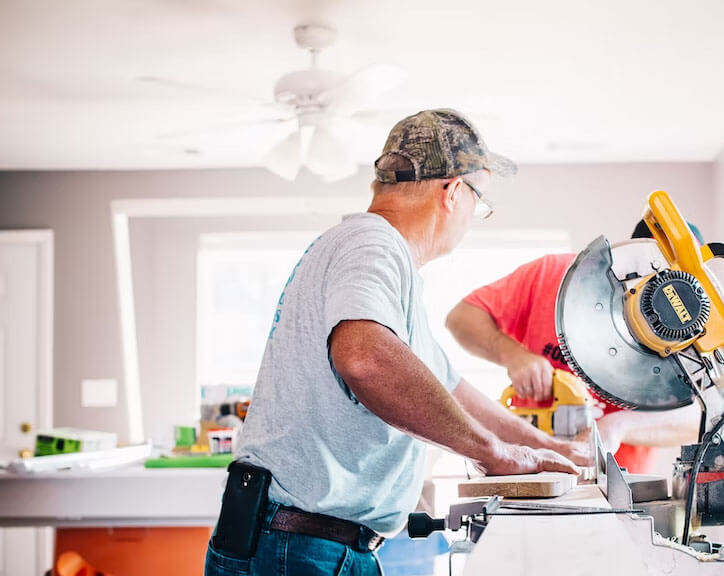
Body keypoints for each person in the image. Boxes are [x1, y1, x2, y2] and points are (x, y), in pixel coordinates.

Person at [205, 109, 592, 576]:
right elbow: (366, 360)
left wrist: (543, 446)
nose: (474, 216)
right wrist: (494, 453)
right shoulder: (373, 243)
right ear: (452, 192)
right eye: (479, 200)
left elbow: (449, 388)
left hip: (306, 541)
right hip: (299, 544)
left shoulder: (376, 260)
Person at [446, 221, 702, 475]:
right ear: (632, 253)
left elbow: (699, 418)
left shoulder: (689, 332)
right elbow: (461, 317)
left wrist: (618, 426)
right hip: (527, 468)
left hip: (616, 483)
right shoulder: (554, 275)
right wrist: (512, 355)